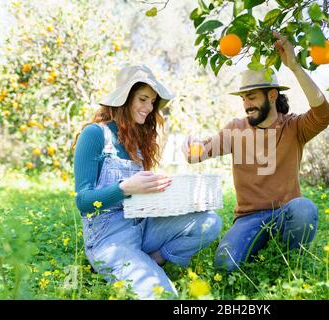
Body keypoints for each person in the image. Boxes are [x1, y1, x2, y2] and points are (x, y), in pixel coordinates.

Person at [182, 33, 329, 272]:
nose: (246, 104)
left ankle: (288, 263)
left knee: (304, 208)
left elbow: (324, 114)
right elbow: (198, 153)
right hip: (249, 219)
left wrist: (294, 67)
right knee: (224, 266)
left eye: (251, 97)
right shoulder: (236, 129)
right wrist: (190, 148)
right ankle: (258, 249)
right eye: (243, 98)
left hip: (286, 213)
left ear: (272, 95)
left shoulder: (294, 127)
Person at [73, 65, 222, 299]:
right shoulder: (94, 135)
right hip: (109, 239)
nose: (149, 108)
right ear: (124, 98)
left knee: (209, 221)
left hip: (142, 227)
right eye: (143, 99)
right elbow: (82, 200)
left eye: (152, 101)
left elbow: (145, 193)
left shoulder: (138, 141)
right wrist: (125, 189)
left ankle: (154, 260)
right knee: (164, 296)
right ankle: (124, 265)